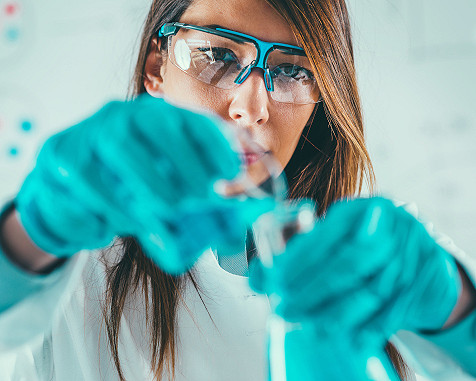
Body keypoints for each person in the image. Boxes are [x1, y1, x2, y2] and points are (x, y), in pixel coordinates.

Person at [0, 0, 475, 380]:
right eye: (219, 56)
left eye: (292, 71)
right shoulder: (77, 272)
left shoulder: (385, 269)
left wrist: (458, 317)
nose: (251, 107)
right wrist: (28, 238)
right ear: (156, 69)